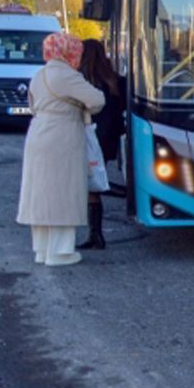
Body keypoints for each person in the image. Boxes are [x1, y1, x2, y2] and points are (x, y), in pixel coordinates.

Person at [16, 33, 105, 267]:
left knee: (41, 193)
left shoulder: (39, 75)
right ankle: (60, 252)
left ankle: (42, 250)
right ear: (69, 52)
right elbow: (97, 100)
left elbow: (32, 105)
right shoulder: (68, 76)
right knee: (63, 192)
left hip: (38, 133)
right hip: (63, 135)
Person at [77, 39, 125, 249]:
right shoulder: (115, 80)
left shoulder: (82, 80)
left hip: (87, 137)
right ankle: (95, 234)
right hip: (107, 139)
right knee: (94, 182)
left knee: (87, 185)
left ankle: (94, 234)